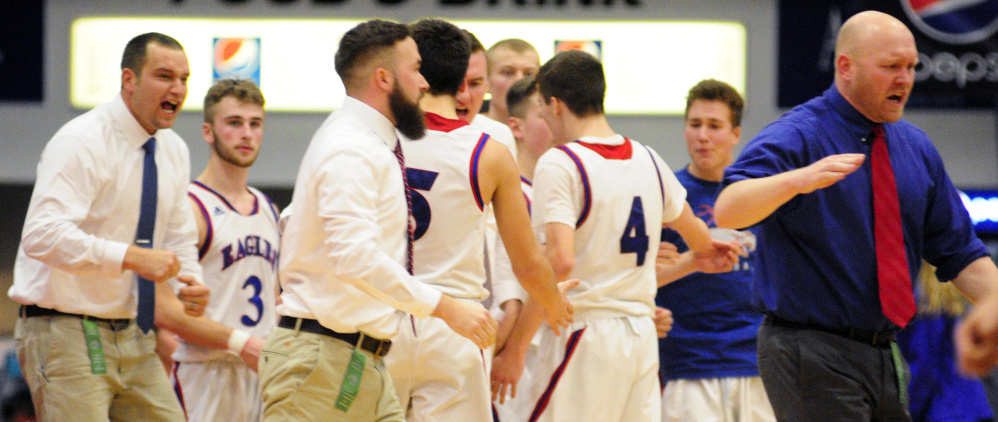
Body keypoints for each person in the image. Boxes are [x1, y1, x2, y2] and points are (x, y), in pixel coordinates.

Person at [713, 10, 998, 421]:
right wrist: (796, 181)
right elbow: (729, 207)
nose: (905, 79)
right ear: (845, 66)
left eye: (911, 67)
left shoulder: (916, 148)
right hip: (809, 347)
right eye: (890, 67)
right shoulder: (799, 133)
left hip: (886, 349)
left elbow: (961, 254)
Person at [258, 19, 497, 421]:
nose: (425, 83)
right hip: (320, 360)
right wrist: (446, 308)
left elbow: (296, 220)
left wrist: (306, 280)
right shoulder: (351, 145)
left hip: (364, 356)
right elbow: (355, 258)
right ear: (384, 78)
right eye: (416, 69)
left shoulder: (370, 141)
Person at [524, 50, 741, 422]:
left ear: (556, 105)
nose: (543, 116)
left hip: (584, 331)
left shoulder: (560, 162)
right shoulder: (650, 159)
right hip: (640, 336)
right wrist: (697, 258)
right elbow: (700, 237)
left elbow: (559, 262)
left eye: (542, 108)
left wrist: (513, 350)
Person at [10, 32, 209, 421]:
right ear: (128, 79)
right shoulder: (82, 140)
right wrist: (130, 257)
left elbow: (179, 235)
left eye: (184, 79)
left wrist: (191, 278)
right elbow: (41, 234)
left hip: (133, 333)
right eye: (164, 76)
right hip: (64, 329)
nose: (178, 89)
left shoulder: (174, 149)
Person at [385, 19, 573, 421]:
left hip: (383, 317)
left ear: (413, 71)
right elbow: (527, 260)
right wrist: (552, 301)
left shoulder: (374, 139)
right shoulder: (489, 152)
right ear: (462, 82)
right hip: (458, 326)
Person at [654, 79, 775, 422]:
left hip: (758, 361)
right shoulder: (666, 196)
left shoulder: (761, 195)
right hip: (691, 363)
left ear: (735, 133)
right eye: (694, 125)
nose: (703, 135)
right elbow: (645, 279)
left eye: (714, 126)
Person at [164, 79, 279, 422]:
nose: (246, 133)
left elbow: (274, 296)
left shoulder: (267, 207)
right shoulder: (189, 206)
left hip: (260, 370)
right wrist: (240, 343)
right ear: (208, 132)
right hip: (206, 370)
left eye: (254, 124)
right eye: (234, 123)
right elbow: (168, 312)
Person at [897, 262, 993, 422]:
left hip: (943, 410)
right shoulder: (948, 294)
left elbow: (923, 365)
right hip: (972, 407)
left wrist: (907, 412)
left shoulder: (923, 300)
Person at [482, 38, 541, 125]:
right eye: (508, 72)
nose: (519, 80)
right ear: (486, 81)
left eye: (528, 74)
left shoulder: (553, 133)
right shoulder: (469, 132)